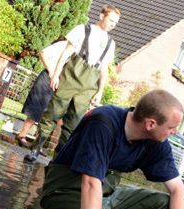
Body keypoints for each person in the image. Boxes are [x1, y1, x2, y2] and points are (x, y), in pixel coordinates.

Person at [39, 89, 184, 209]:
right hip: (64, 193)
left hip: (104, 196)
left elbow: (178, 190)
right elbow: (90, 182)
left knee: (163, 205)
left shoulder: (157, 143)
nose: (175, 132)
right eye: (172, 127)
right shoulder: (102, 122)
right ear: (151, 124)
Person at [24, 4, 121, 163]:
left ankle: (59, 159)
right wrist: (55, 74)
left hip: (89, 84)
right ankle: (36, 149)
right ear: (102, 16)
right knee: (53, 113)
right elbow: (66, 53)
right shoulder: (82, 29)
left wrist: (100, 91)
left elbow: (104, 69)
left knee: (73, 123)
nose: (113, 25)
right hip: (70, 76)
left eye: (116, 23)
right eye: (111, 20)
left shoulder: (111, 43)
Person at [15, 38, 69, 148]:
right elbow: (43, 52)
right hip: (48, 78)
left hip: (60, 84)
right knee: (37, 109)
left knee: (49, 114)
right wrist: (52, 72)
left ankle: (37, 145)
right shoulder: (63, 45)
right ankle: (22, 135)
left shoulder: (79, 52)